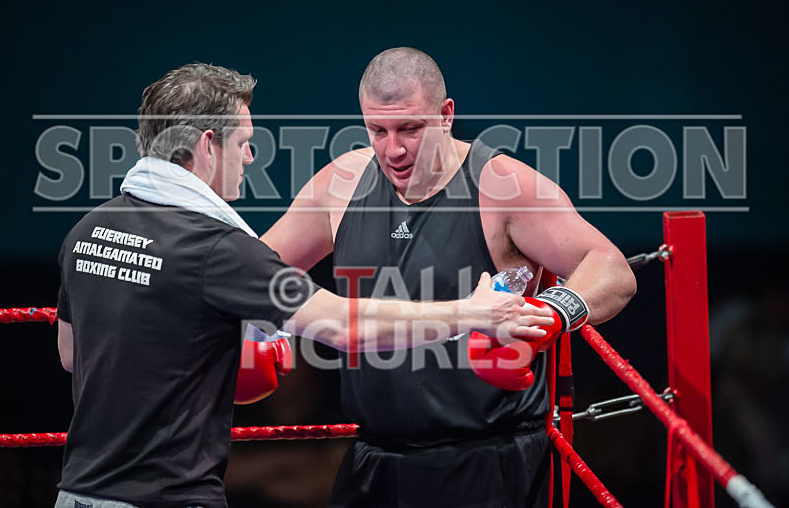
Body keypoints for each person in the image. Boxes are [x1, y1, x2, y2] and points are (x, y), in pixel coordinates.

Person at [54, 63, 553, 508]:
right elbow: (343, 326)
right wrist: (473, 313)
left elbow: (72, 355)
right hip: (168, 494)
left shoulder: (88, 231)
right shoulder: (219, 251)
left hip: (77, 490)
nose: (250, 157)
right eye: (243, 142)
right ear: (207, 145)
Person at [261, 47, 637, 507]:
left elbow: (611, 267)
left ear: (445, 115)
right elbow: (255, 270)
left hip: (489, 462)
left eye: (410, 129)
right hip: (373, 460)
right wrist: (257, 332)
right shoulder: (341, 184)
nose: (393, 149)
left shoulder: (502, 186)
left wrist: (551, 313)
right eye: (378, 130)